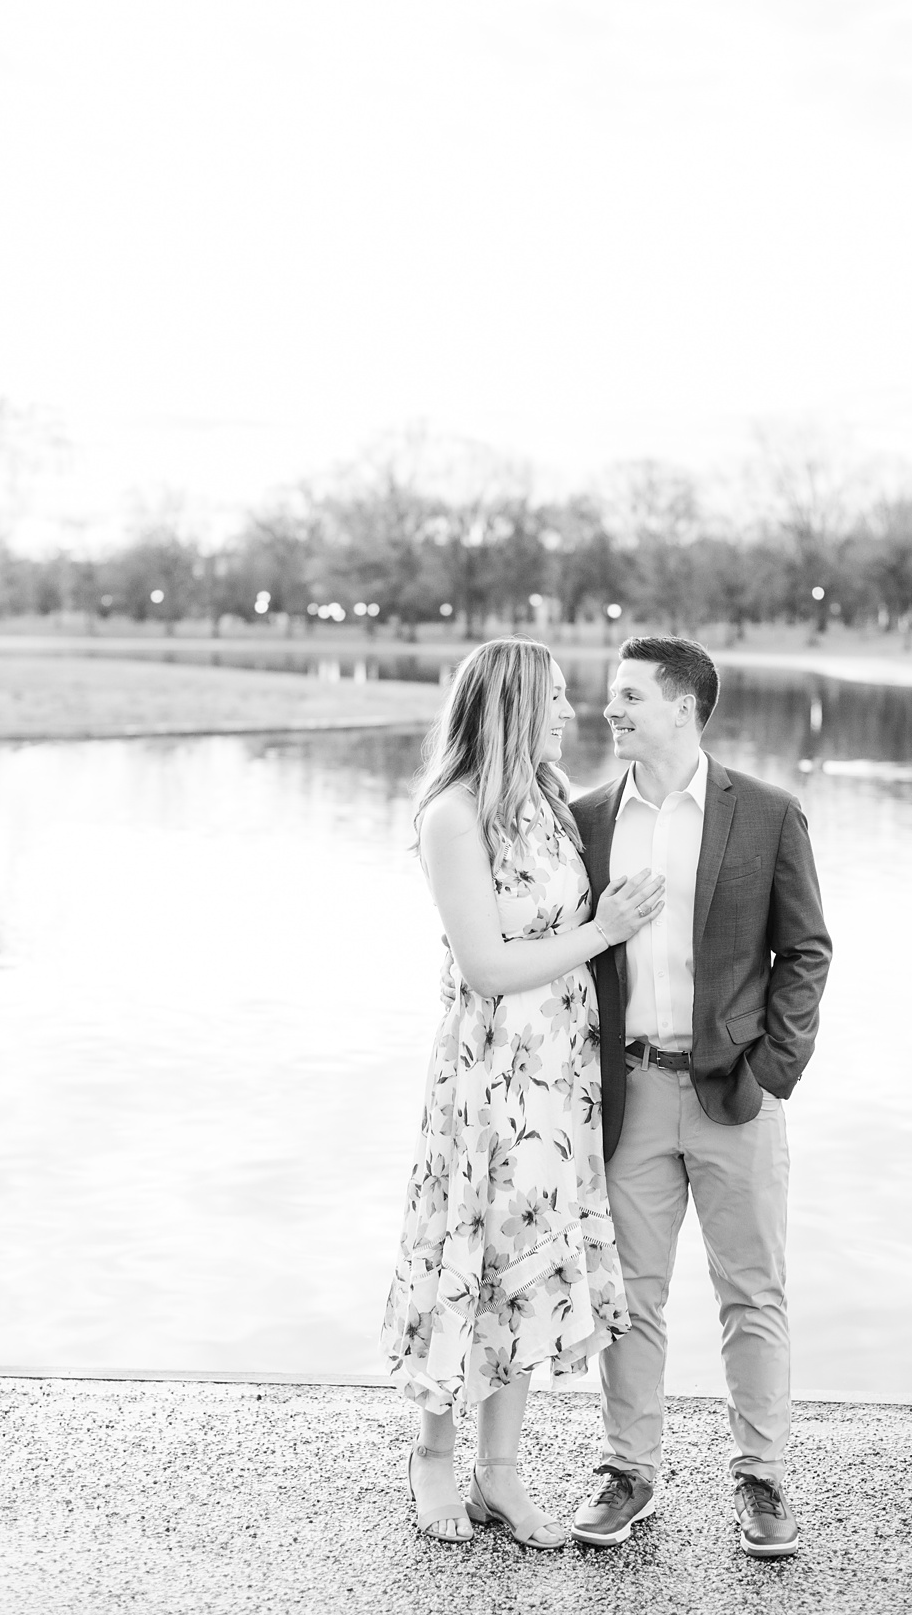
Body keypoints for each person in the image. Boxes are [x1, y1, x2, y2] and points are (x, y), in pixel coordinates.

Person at [381, 637, 661, 1549]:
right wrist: (604, 928)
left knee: (526, 1268)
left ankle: (499, 1474)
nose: (569, 713)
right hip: (489, 1076)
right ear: (506, 709)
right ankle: (432, 1459)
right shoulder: (452, 816)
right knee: (464, 1257)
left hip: (558, 1083)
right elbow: (489, 965)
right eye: (551, 700)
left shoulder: (543, 801)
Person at [565, 637, 829, 1559]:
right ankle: (629, 1471)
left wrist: (773, 1071)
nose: (612, 710)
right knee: (628, 1297)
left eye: (630, 695)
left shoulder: (765, 814)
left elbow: (804, 952)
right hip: (628, 1091)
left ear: (684, 706)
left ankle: (763, 1480)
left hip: (736, 1094)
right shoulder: (585, 818)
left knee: (752, 1293)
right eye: (612, 695)